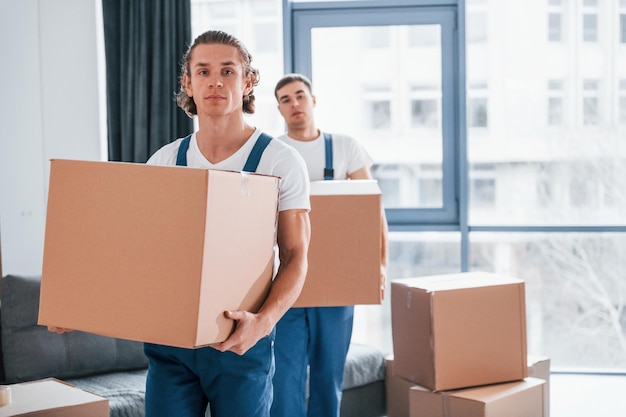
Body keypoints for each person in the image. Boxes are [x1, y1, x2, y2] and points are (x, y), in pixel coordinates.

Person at [50, 31, 311, 417]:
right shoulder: (166, 161)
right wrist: (80, 306)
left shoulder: (279, 161)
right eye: (203, 71)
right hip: (170, 348)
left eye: (228, 70)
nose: (216, 81)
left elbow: (296, 257)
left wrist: (262, 323)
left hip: (240, 344)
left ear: (248, 80)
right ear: (188, 83)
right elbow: (136, 255)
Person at [270, 73, 389, 417]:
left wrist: (378, 266)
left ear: (313, 100)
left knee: (328, 377)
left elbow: (372, 211)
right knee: (284, 378)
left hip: (336, 284)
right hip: (286, 281)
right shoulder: (274, 152)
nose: (294, 104)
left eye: (299, 96)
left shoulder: (346, 148)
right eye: (285, 100)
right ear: (278, 108)